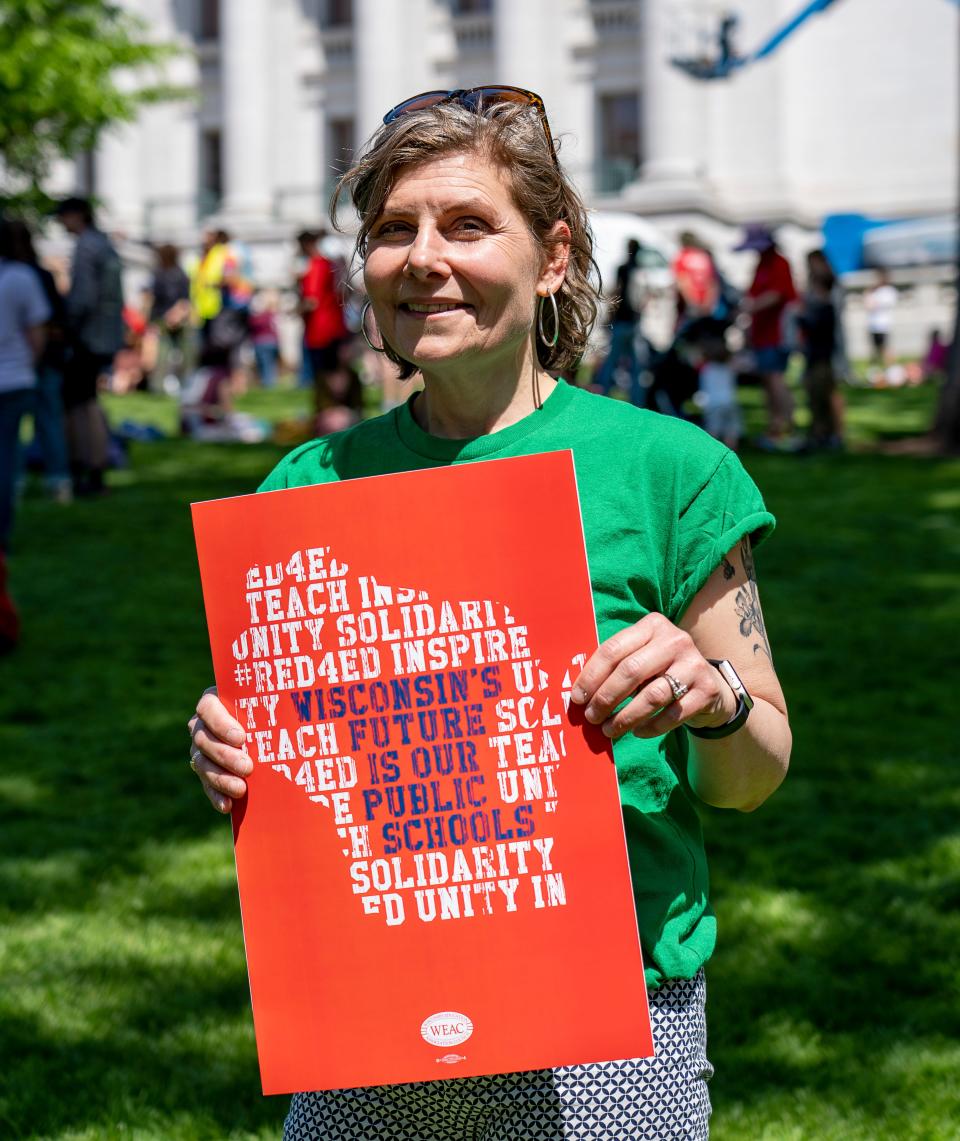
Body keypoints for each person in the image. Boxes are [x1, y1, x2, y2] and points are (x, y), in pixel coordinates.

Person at [187, 87, 791, 1140]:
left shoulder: (669, 471)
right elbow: (301, 777)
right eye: (392, 230)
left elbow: (755, 775)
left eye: (468, 224)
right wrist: (232, 755)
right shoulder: (304, 485)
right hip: (368, 1001)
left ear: (552, 256)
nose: (425, 258)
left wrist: (711, 693)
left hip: (611, 1017)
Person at [0, 217, 51, 648]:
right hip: (14, 377)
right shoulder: (20, 278)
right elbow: (36, 332)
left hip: (12, 375)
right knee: (6, 458)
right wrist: (30, 363)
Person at [54, 196, 125, 496]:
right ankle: (93, 467)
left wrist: (64, 326)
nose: (60, 223)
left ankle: (87, 467)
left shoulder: (86, 246)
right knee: (89, 401)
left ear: (77, 216)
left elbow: (82, 299)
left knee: (81, 403)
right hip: (103, 335)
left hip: (87, 337)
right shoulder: (103, 244)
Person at [4, 219, 72, 503]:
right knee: (46, 421)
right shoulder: (35, 276)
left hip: (27, 362)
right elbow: (50, 321)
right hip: (33, 361)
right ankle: (56, 482)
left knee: (13, 432)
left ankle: (17, 482)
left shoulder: (23, 276)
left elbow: (43, 325)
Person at [734, 223, 797, 444]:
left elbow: (778, 295)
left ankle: (785, 424)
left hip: (776, 334)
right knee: (767, 381)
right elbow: (752, 294)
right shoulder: (761, 265)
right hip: (761, 334)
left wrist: (750, 307)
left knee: (776, 378)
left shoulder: (779, 263)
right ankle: (775, 424)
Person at [296, 229, 350, 427]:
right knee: (336, 369)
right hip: (335, 324)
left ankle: (327, 412)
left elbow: (311, 300)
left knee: (324, 373)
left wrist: (295, 310)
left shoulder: (316, 265)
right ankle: (336, 410)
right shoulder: (330, 264)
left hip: (321, 329)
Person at [797, 250, 843, 450]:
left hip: (824, 354)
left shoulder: (827, 300)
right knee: (815, 395)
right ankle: (820, 433)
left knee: (825, 394)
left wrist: (802, 318)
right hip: (814, 352)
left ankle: (829, 434)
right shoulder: (813, 294)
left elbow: (819, 326)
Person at [593, 238, 646, 406]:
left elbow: (615, 293)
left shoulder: (623, 269)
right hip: (633, 323)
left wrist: (609, 315)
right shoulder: (640, 271)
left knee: (612, 360)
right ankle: (637, 399)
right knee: (636, 365)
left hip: (622, 321)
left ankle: (604, 392)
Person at [149, 243, 192, 394]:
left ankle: (181, 385)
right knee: (163, 355)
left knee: (179, 354)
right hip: (164, 320)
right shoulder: (164, 274)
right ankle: (160, 386)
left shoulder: (176, 275)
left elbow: (184, 300)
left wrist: (174, 315)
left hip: (174, 319)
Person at [864, 269, 897, 366]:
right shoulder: (873, 291)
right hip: (873, 324)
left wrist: (873, 303)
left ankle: (890, 366)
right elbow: (868, 304)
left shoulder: (888, 291)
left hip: (883, 324)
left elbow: (876, 304)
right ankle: (876, 367)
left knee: (885, 347)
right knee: (874, 348)